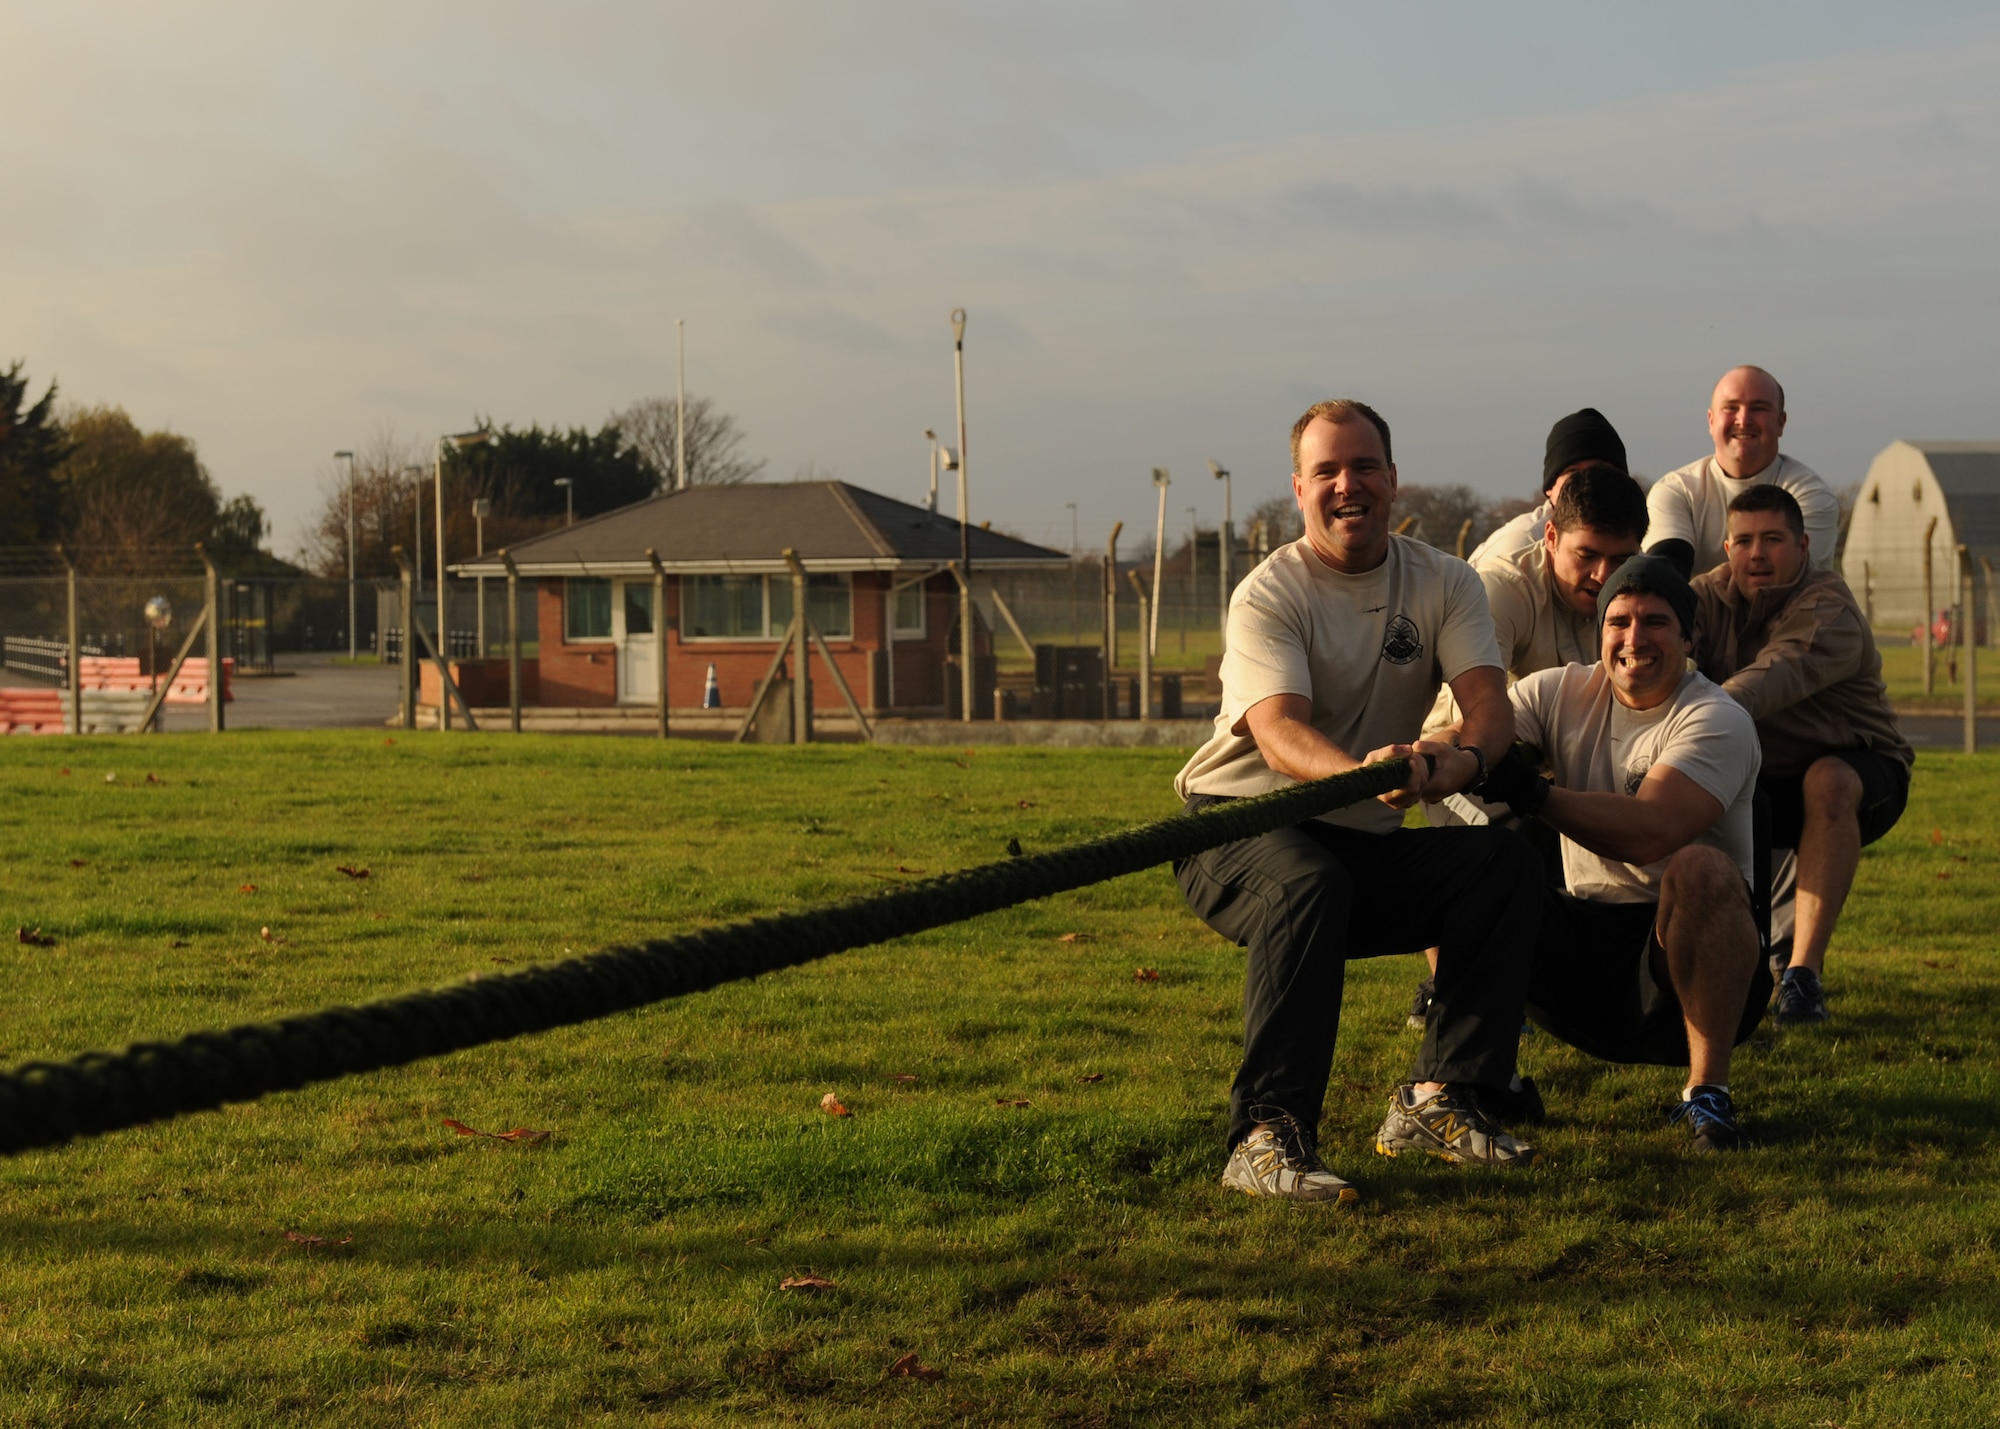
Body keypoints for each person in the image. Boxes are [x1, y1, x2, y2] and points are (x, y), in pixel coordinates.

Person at [1173, 398, 1544, 1203]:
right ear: (1298, 489)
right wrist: (1361, 769)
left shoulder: (1445, 581)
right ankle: (1265, 1138)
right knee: (1308, 882)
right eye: (1328, 471)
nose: (1349, 485)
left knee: (1503, 864)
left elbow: (1489, 706)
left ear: (1393, 478)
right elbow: (1277, 733)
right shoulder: (1267, 594)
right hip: (1239, 827)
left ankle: (1440, 1098)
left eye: (1364, 466)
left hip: (1355, 834)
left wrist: (1457, 760)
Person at [1473, 555, 1769, 1152]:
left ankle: (1708, 1095)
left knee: (1701, 867)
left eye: (1656, 622)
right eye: (1619, 622)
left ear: (1689, 638)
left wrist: (1531, 790)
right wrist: (1439, 756)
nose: (1635, 639)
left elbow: (1650, 832)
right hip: (1583, 943)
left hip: (1677, 958)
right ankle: (1484, 1078)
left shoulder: (1717, 718)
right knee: (1461, 861)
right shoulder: (1560, 689)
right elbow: (1476, 731)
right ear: (1599, 632)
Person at [1408, 464, 1651, 1030]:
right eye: (1587, 555)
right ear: (1550, 538)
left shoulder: (1641, 594)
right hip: (1465, 759)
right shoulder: (1502, 586)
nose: (1603, 575)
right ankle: (1462, 992)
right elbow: (1478, 716)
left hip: (1562, 762)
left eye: (1621, 559)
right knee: (1510, 846)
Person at [1690, 485, 1913, 1025]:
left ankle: (1801, 976)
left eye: (1773, 539)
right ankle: (1697, 969)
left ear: (1804, 546)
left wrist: (1687, 716)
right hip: (1759, 779)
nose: (1757, 554)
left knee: (1828, 780)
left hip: (1859, 773)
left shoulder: (1828, 604)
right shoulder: (1702, 597)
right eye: (1743, 540)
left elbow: (1776, 674)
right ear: (1726, 548)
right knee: (1685, 786)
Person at [1646, 366, 1839, 579]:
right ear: (1711, 421)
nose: (1744, 419)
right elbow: (1666, 577)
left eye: (1759, 408)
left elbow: (1783, 586)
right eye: (1730, 408)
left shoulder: (1812, 496)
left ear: (1781, 422)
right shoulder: (1675, 492)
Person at [1467, 407, 1630, 566]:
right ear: (1550, 488)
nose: (1586, 484)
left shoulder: (1634, 548)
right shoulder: (1519, 550)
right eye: (1573, 473)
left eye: (1599, 471)